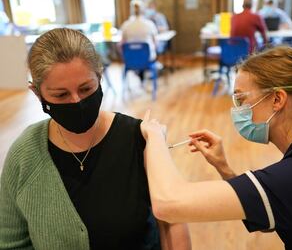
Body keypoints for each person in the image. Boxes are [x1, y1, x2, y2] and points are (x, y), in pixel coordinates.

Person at [140, 46, 292, 249]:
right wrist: (224, 168)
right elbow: (273, 207)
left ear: (277, 99)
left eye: (241, 99)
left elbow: (169, 204)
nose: (237, 109)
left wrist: (155, 137)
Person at [0, 28, 191, 250]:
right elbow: (11, 241)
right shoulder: (25, 155)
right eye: (60, 95)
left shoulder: (139, 139)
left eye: (86, 88)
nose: (77, 101)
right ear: (37, 93)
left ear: (99, 78)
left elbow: (173, 223)